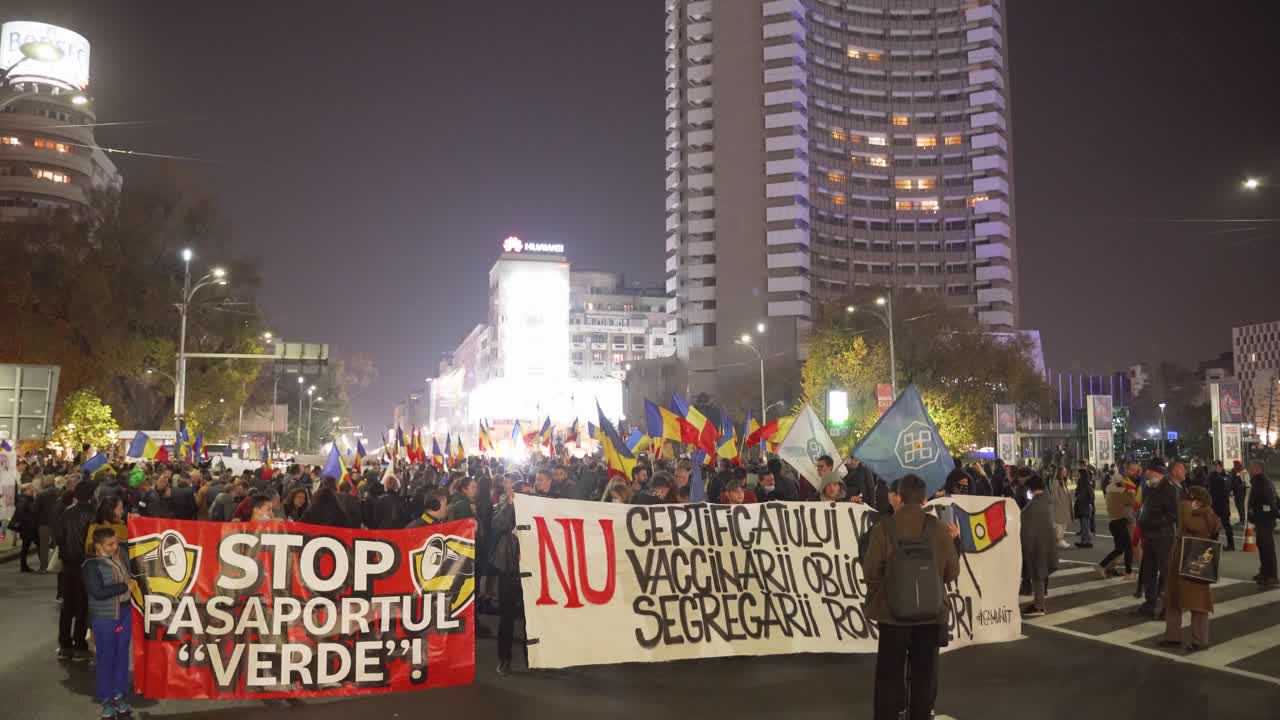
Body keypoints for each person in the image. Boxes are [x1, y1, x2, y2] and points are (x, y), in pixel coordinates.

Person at [864, 474, 959, 720]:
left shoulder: (884, 528)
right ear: (925, 499)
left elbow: (871, 571)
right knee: (924, 677)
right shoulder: (938, 528)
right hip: (930, 614)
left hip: (892, 614)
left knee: (888, 676)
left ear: (900, 497)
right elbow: (952, 572)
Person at [83, 527, 138, 719]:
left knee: (121, 657)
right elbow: (97, 592)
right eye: (111, 544)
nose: (116, 547)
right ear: (99, 546)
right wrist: (125, 586)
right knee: (106, 658)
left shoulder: (119, 558)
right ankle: (106, 701)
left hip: (123, 614)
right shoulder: (91, 565)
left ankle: (119, 696)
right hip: (105, 618)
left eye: (116, 543)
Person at [1159, 486, 1221, 652]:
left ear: (1199, 501)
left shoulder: (1206, 516)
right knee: (1173, 599)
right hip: (1180, 560)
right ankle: (1172, 636)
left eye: (1189, 498)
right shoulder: (1193, 513)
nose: (1184, 501)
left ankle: (1200, 640)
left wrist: (1185, 504)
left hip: (1195, 563)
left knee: (1198, 603)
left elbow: (1186, 523)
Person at [56, 479, 97, 661]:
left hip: (67, 564)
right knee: (82, 606)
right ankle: (79, 645)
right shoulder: (93, 515)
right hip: (85, 564)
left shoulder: (67, 513)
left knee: (67, 605)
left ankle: (64, 645)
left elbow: (59, 537)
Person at [490, 475, 525, 676]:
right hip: (509, 567)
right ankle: (504, 658)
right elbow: (499, 524)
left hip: (532, 567)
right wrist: (511, 505)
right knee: (507, 615)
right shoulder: (505, 505)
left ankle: (534, 655)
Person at [1137, 459, 1182, 615]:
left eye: (1148, 471)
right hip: (1150, 536)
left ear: (1155, 472)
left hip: (1163, 536)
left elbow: (1174, 514)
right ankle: (1150, 603)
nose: (1146, 474)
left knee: (1166, 572)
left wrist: (1153, 522)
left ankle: (1168, 606)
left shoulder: (1169, 489)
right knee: (1149, 571)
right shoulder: (1151, 487)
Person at [1020, 473, 1058, 617]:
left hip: (1036, 546)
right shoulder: (1047, 501)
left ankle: (1039, 605)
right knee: (1040, 576)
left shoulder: (1034, 505)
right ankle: (1038, 603)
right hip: (1046, 543)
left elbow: (1026, 529)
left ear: (1031, 489)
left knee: (1037, 576)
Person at [1097, 463, 1138, 578]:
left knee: (1120, 549)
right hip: (1120, 522)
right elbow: (1132, 502)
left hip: (1114, 522)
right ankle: (1128, 572)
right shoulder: (1119, 493)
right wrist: (1131, 493)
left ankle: (1102, 566)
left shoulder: (1110, 491)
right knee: (1128, 548)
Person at [1246, 460, 1278, 587]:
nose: (1249, 470)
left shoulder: (1263, 483)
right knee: (1262, 546)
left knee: (1267, 548)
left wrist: (1276, 514)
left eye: (1251, 468)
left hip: (1266, 520)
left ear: (1258, 469)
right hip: (1261, 520)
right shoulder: (1258, 482)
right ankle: (1264, 572)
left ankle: (1272, 575)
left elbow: (1272, 501)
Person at [35, 475, 61, 573]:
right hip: (57, 522)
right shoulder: (59, 492)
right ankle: (60, 565)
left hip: (43, 522)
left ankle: (43, 567)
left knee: (44, 546)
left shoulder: (41, 494)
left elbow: (35, 509)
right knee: (59, 545)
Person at [1207, 460, 1234, 551]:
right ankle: (1213, 544)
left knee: (1226, 525)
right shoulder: (1212, 476)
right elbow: (1208, 487)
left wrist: (1217, 476)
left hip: (1223, 504)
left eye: (1215, 466)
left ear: (1219, 466)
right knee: (1213, 525)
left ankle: (1231, 545)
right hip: (1215, 504)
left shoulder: (1225, 476)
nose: (1214, 468)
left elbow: (1226, 485)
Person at [14, 482, 39, 572]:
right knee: (32, 546)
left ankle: (24, 566)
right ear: (25, 491)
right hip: (28, 528)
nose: (32, 490)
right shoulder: (24, 500)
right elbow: (22, 513)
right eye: (30, 488)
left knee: (26, 547)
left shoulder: (27, 499)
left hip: (28, 527)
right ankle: (25, 566)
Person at [1049, 466, 1073, 549]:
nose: (1065, 472)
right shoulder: (1056, 482)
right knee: (1059, 524)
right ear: (1060, 472)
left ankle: (1061, 539)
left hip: (1065, 507)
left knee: (1064, 524)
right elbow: (1054, 495)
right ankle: (1058, 540)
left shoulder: (1063, 481)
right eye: (1064, 471)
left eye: (1066, 471)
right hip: (1059, 507)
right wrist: (1059, 503)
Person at [1073, 467, 1095, 548]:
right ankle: (1085, 541)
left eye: (1078, 474)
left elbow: (1091, 496)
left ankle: (1086, 542)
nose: (1077, 475)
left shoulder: (1085, 483)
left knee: (1085, 525)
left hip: (1084, 506)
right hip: (1084, 506)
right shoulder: (1084, 483)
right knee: (1084, 525)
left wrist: (1080, 497)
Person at [1230, 461, 1247, 527]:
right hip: (1237, 491)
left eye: (1235, 464)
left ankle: (1242, 520)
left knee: (1240, 505)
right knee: (1238, 505)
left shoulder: (1241, 471)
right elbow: (1233, 480)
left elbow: (1239, 481)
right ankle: (1242, 520)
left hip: (1240, 491)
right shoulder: (1235, 470)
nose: (1233, 465)